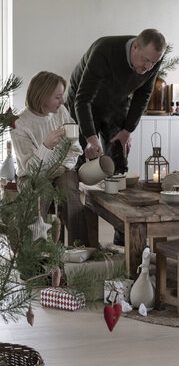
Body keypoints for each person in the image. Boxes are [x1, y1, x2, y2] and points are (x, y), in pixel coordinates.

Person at [66, 29, 166, 174]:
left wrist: (127, 130)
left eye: (154, 62)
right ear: (135, 47)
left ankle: (116, 191)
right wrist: (91, 138)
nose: (148, 67)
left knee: (118, 156)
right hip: (83, 100)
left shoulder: (153, 57)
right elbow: (82, 99)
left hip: (117, 99)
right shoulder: (104, 51)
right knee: (84, 158)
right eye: (145, 60)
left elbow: (143, 94)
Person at [11, 71, 88, 245]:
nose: (63, 101)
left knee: (68, 187)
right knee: (41, 191)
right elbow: (31, 169)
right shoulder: (20, 124)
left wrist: (63, 166)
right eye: (58, 97)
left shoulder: (60, 112)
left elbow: (75, 148)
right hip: (31, 176)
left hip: (62, 169)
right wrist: (46, 146)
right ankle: (37, 252)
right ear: (42, 96)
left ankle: (81, 247)